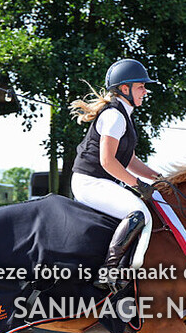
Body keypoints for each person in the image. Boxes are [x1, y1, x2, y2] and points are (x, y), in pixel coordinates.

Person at [69, 59, 162, 292]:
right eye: (141, 86)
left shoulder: (124, 115)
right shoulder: (114, 116)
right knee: (139, 212)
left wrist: (158, 177)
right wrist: (139, 185)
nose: (145, 91)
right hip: (89, 182)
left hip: (100, 182)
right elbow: (107, 161)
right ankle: (110, 272)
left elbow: (127, 159)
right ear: (125, 89)